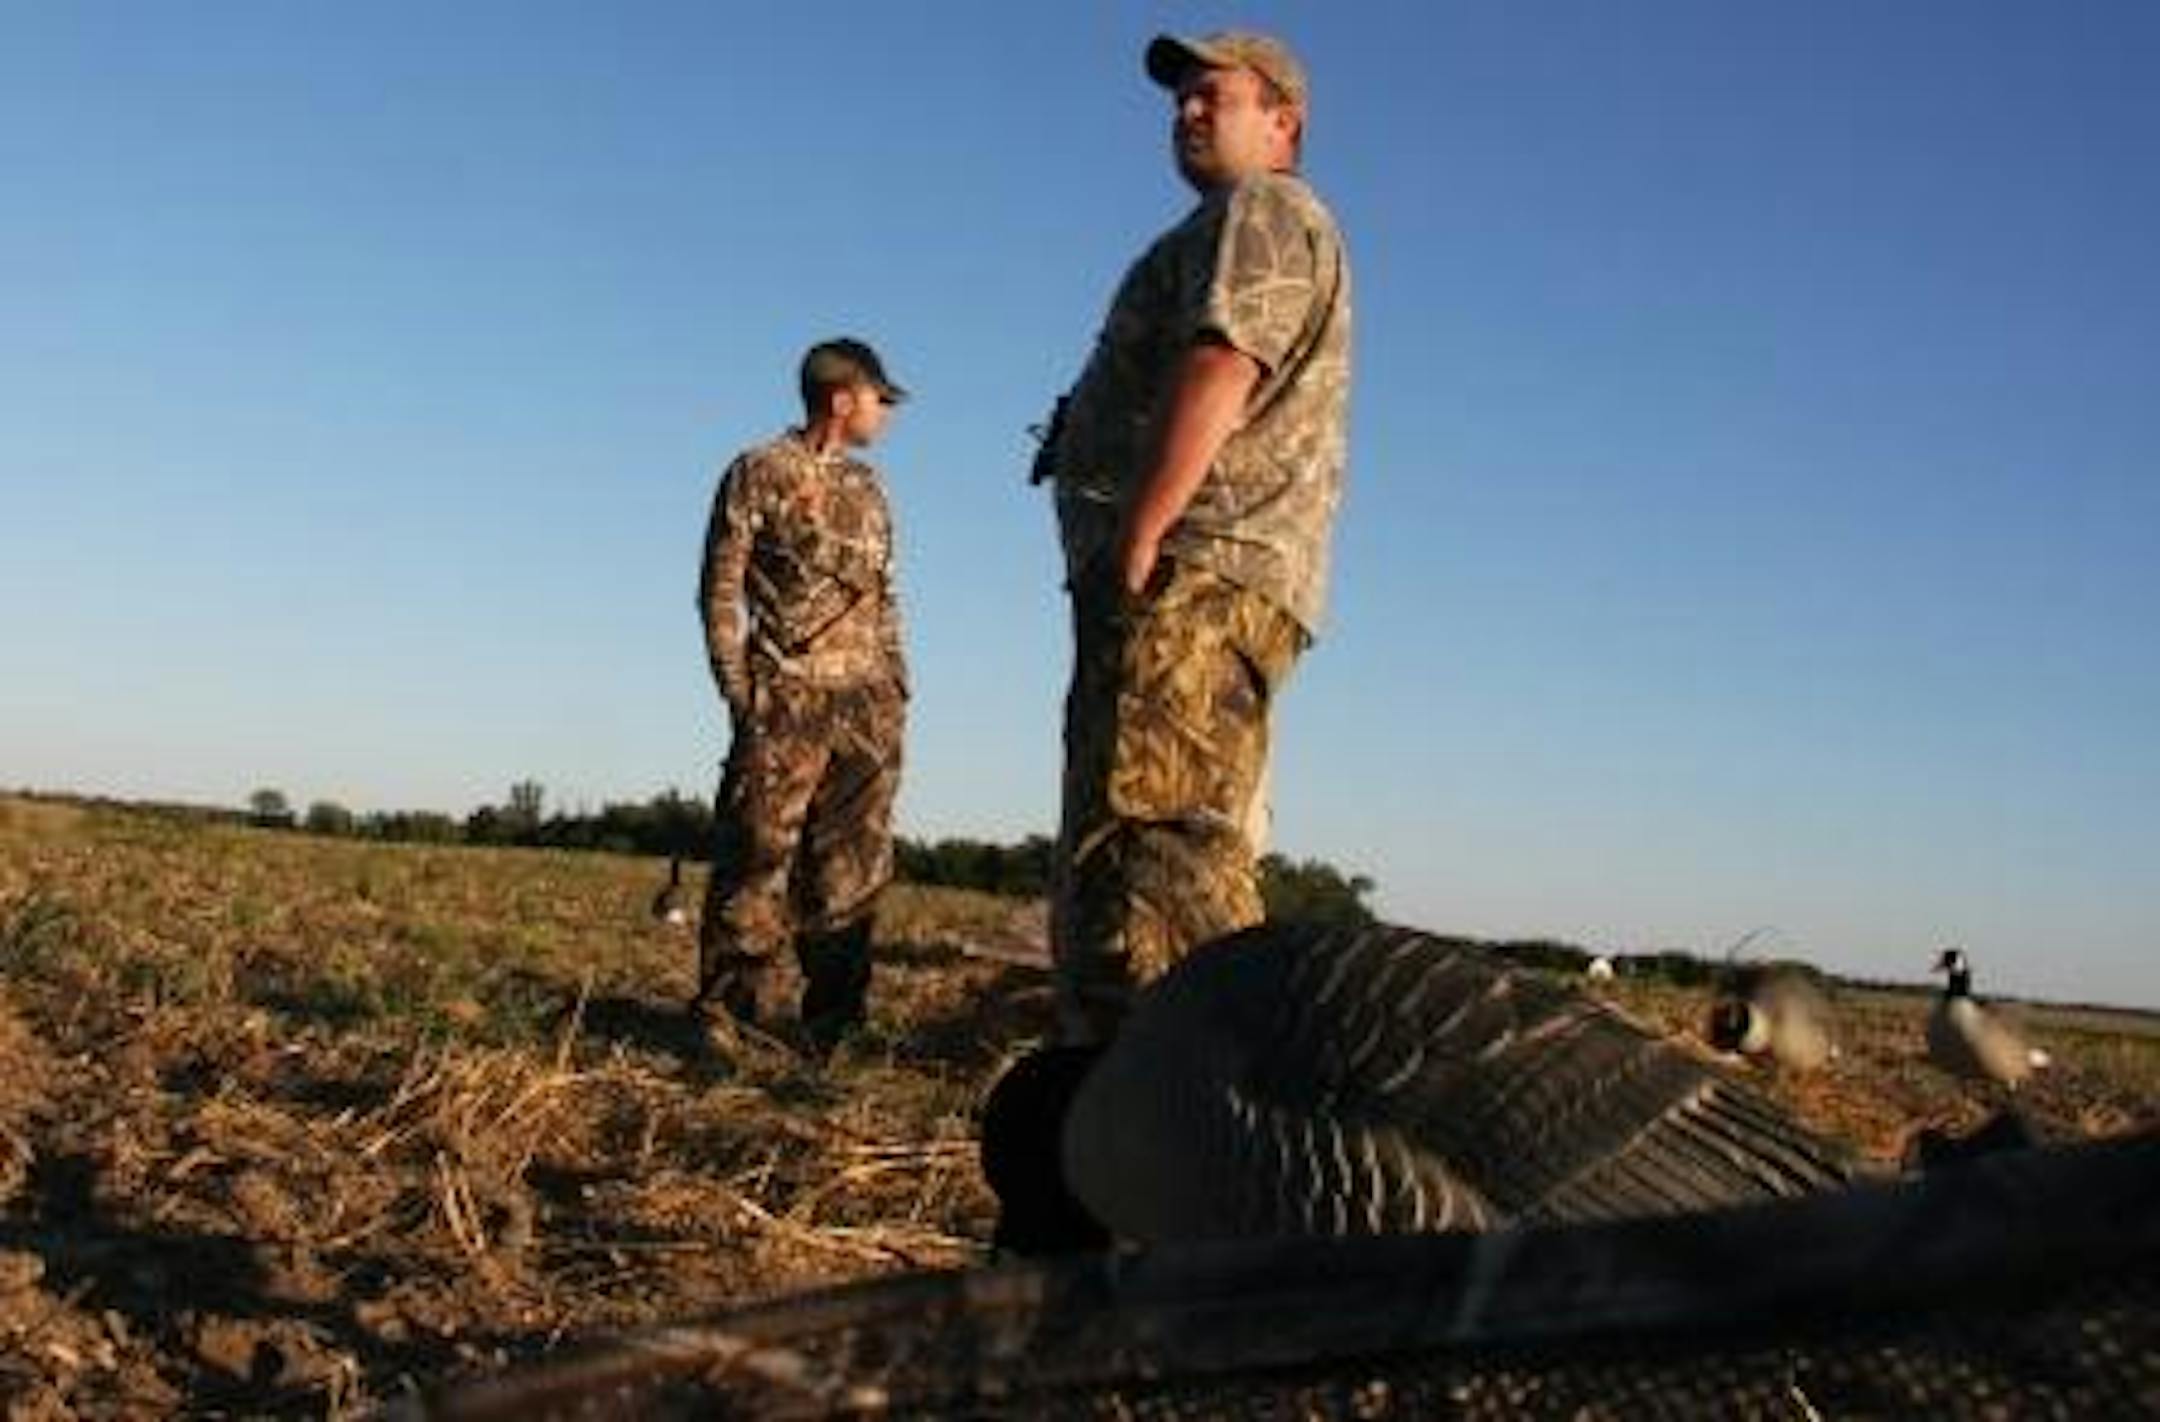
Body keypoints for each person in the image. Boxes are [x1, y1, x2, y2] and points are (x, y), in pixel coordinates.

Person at [1035, 31, 1353, 1045]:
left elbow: (1225, 363)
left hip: (1195, 566)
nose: (1188, 112)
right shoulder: (1226, 223)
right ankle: (1110, 1109)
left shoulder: (1264, 211)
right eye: (1180, 99)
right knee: (1112, 858)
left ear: (1283, 123)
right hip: (1177, 573)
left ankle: (1244, 1125)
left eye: (1214, 94)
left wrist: (1143, 526)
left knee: (1164, 852)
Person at [695, 338, 909, 1056]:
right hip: (784, 699)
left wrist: (896, 685)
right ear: (842, 396)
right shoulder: (758, 471)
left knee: (852, 873)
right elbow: (719, 590)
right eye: (881, 398)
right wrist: (741, 692)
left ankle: (833, 1031)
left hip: (868, 707)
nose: (887, 413)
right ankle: (733, 1018)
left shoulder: (871, 490)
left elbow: (887, 597)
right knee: (757, 856)